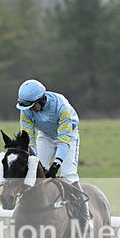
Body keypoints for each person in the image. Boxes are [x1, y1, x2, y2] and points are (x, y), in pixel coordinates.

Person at [16, 79, 89, 221]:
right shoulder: (26, 110)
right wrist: (33, 158)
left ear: (41, 100)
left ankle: (85, 217)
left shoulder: (61, 107)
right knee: (36, 172)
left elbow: (64, 140)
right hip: (45, 135)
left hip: (68, 135)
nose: (30, 110)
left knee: (68, 174)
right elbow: (28, 138)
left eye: (32, 106)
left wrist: (56, 165)